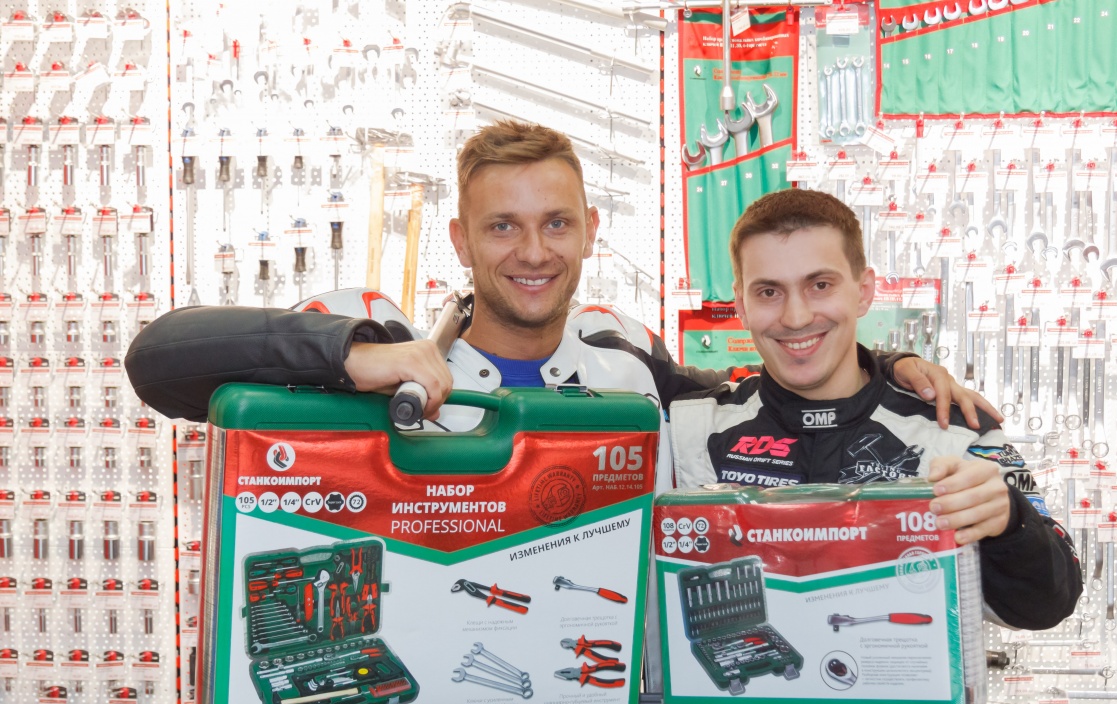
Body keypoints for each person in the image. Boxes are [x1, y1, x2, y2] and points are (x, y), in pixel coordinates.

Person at [128, 120, 995, 492]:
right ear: (461, 241)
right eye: (502, 227)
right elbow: (160, 360)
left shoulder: (623, 357)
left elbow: (778, 386)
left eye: (555, 224)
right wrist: (352, 355)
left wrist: (891, 367)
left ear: (588, 232)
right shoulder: (381, 338)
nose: (534, 253)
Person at [667, 188, 1081, 631]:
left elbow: (1050, 603)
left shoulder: (955, 431)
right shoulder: (689, 427)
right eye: (769, 291)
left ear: (863, 292)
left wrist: (1010, 522)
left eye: (820, 285)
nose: (796, 317)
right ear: (740, 305)